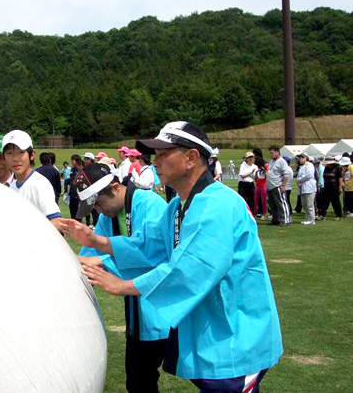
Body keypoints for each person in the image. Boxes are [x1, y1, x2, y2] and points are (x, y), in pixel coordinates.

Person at [67, 121, 283, 391]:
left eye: (163, 153)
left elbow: (189, 269)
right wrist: (95, 240)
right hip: (214, 335)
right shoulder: (177, 206)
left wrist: (122, 285)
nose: (155, 161)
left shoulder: (218, 204)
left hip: (235, 337)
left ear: (191, 158)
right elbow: (148, 246)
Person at [62, 164, 169, 393]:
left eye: (99, 203)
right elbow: (88, 257)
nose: (98, 211)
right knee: (139, 382)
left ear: (115, 186)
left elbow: (151, 252)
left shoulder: (151, 204)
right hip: (136, 311)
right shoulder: (109, 216)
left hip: (163, 306)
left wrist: (101, 260)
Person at [2, 130, 64, 230]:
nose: (15, 159)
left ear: (32, 155)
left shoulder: (39, 184)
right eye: (9, 153)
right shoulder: (12, 188)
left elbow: (55, 220)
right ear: (4, 157)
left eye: (21, 152)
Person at [267, 146, 292, 226]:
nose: (271, 155)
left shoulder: (282, 161)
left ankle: (285, 220)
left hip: (277, 185)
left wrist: (284, 186)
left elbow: (286, 174)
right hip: (270, 186)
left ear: (277, 152)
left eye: (272, 153)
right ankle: (275, 219)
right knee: (273, 204)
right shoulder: (271, 161)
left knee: (281, 203)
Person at [318, 155, 342, 221]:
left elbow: (340, 177)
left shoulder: (337, 167)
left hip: (335, 187)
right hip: (326, 186)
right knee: (325, 201)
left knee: (335, 202)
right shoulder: (326, 168)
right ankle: (322, 215)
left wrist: (340, 187)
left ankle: (338, 215)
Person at [296, 153, 316, 225]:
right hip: (302, 188)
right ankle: (307, 218)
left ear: (305, 158)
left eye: (301, 157)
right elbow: (298, 177)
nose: (300, 159)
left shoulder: (310, 165)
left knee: (309, 204)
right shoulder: (301, 167)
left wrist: (300, 180)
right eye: (299, 158)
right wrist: (298, 181)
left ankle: (311, 220)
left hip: (309, 187)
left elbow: (309, 175)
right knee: (304, 204)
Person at [282, 156, 294, 220]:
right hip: (288, 187)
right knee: (287, 201)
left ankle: (288, 215)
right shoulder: (289, 168)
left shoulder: (287, 169)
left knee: (286, 202)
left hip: (286, 187)